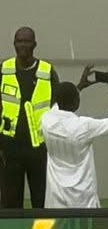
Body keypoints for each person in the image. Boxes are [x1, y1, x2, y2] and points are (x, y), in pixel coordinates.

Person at [41, 66, 108, 208]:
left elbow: (60, 101)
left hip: (55, 197)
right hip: (83, 197)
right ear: (76, 102)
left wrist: (79, 87)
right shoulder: (84, 126)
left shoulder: (46, 120)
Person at [0, 27, 60, 209]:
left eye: (27, 41)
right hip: (9, 149)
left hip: (39, 149)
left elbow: (59, 106)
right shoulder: (4, 69)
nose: (23, 45)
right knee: (10, 203)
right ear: (14, 44)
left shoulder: (47, 71)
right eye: (19, 41)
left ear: (35, 44)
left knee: (41, 203)